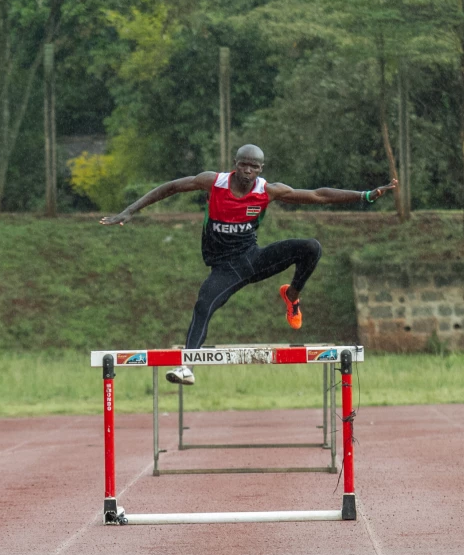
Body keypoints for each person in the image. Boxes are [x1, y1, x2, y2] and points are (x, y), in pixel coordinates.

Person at [100, 144, 397, 385]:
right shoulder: (213, 182)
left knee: (311, 247)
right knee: (203, 305)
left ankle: (292, 295)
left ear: (261, 169)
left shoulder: (268, 190)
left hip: (253, 259)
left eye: (254, 167)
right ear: (235, 164)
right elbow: (171, 188)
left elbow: (318, 195)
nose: (248, 171)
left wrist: (365, 195)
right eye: (244, 165)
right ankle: (186, 367)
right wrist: (129, 211)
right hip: (225, 269)